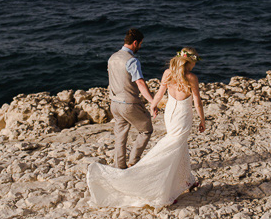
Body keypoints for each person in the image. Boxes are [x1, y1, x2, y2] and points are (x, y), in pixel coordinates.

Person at [88, 47, 205, 208]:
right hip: (183, 115)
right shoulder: (192, 77)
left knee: (179, 145)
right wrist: (202, 120)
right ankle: (161, 190)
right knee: (172, 148)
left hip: (170, 114)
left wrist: (153, 106)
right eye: (194, 63)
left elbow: (158, 94)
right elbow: (197, 102)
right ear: (190, 62)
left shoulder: (167, 73)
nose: (194, 66)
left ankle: (188, 181)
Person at [107, 28, 158, 170]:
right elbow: (140, 83)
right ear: (135, 43)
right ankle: (133, 162)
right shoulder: (132, 61)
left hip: (114, 103)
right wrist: (152, 102)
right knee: (146, 129)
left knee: (120, 136)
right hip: (128, 103)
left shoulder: (112, 57)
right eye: (140, 44)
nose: (140, 47)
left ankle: (119, 166)